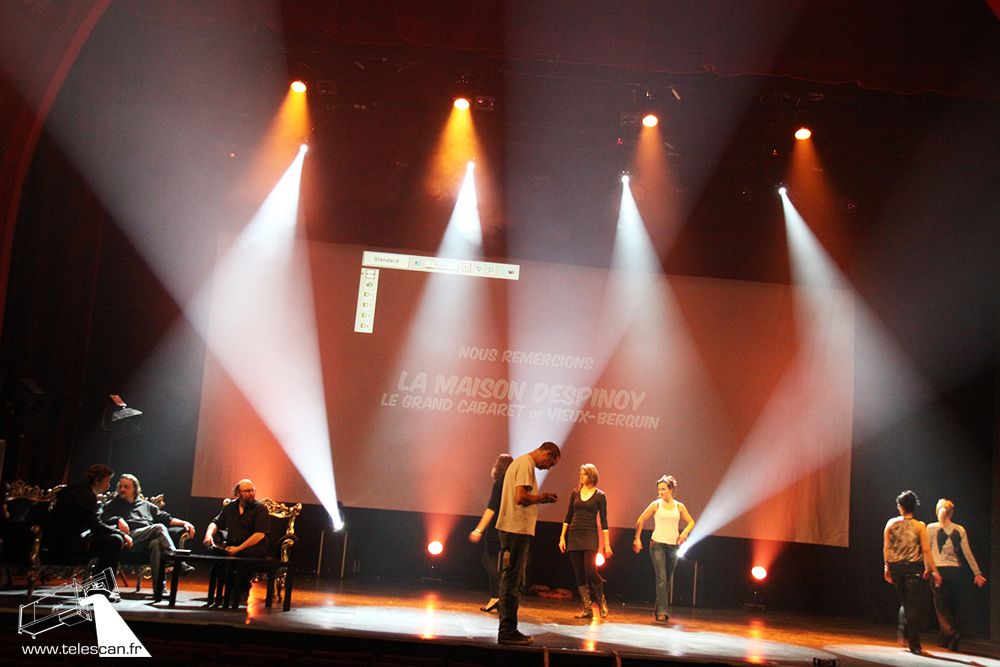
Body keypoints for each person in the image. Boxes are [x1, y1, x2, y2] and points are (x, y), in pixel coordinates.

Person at [495, 441, 561, 645]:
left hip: (514, 530)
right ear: (547, 454)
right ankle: (507, 631)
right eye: (551, 463)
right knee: (512, 582)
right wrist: (542, 498)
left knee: (514, 581)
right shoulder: (525, 464)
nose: (548, 468)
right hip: (516, 530)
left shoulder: (521, 463)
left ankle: (508, 629)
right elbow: (520, 497)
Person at [100, 473, 196, 592]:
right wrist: (118, 520)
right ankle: (178, 562)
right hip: (127, 539)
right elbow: (102, 519)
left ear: (135, 489)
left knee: (156, 543)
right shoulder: (113, 504)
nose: (122, 489)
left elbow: (167, 519)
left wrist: (184, 523)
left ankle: (159, 588)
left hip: (145, 542)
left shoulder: (146, 506)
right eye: (120, 486)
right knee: (159, 528)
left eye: (126, 487)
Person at [43, 463, 133, 577]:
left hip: (69, 538)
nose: (108, 485)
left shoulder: (80, 490)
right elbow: (96, 526)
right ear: (97, 481)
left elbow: (93, 521)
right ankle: (103, 584)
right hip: (66, 543)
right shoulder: (84, 495)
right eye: (107, 481)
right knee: (115, 540)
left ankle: (101, 582)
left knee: (113, 537)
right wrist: (122, 534)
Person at [883, 490, 942, 655]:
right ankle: (914, 644)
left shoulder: (891, 523)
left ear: (901, 507)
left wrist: (886, 567)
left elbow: (886, 547)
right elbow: (926, 550)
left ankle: (903, 630)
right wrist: (934, 571)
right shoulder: (920, 526)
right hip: (912, 568)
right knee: (912, 605)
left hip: (896, 567)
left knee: (906, 602)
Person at [926, 498, 987, 651]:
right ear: (951, 513)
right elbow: (967, 553)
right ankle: (946, 641)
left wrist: (928, 569)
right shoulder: (960, 529)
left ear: (937, 511)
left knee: (941, 608)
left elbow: (927, 551)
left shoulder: (931, 528)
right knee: (951, 606)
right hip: (955, 572)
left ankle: (953, 633)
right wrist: (977, 572)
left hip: (939, 570)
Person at [632, 474, 695, 623]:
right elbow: (640, 519)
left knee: (667, 580)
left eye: (663, 489)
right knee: (661, 577)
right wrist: (637, 538)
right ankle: (662, 612)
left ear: (671, 489)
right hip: (657, 545)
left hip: (673, 546)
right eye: (659, 489)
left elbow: (691, 522)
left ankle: (658, 608)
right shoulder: (656, 505)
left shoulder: (679, 506)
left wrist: (685, 532)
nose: (660, 492)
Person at [202, 479, 270, 604]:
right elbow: (216, 523)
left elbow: (259, 534)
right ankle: (225, 589)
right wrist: (208, 535)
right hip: (233, 545)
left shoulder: (260, 508)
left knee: (242, 555)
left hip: (253, 547)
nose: (252, 493)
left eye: (253, 490)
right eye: (247, 491)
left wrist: (238, 549)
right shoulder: (230, 507)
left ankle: (241, 590)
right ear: (238, 493)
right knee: (214, 552)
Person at [559, 463, 612, 619]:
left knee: (590, 570)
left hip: (590, 535)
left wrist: (607, 544)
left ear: (592, 476)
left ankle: (602, 601)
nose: (581, 476)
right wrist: (562, 536)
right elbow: (568, 515)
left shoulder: (600, 495)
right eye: (580, 474)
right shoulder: (575, 493)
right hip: (574, 534)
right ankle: (587, 607)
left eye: (584, 474)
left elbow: (604, 521)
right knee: (579, 572)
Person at [468, 453, 513, 613]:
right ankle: (500, 597)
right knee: (499, 563)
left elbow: (492, 507)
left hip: (497, 527)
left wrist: (478, 529)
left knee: (489, 560)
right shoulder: (512, 484)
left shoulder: (499, 483)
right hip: (510, 527)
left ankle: (496, 596)